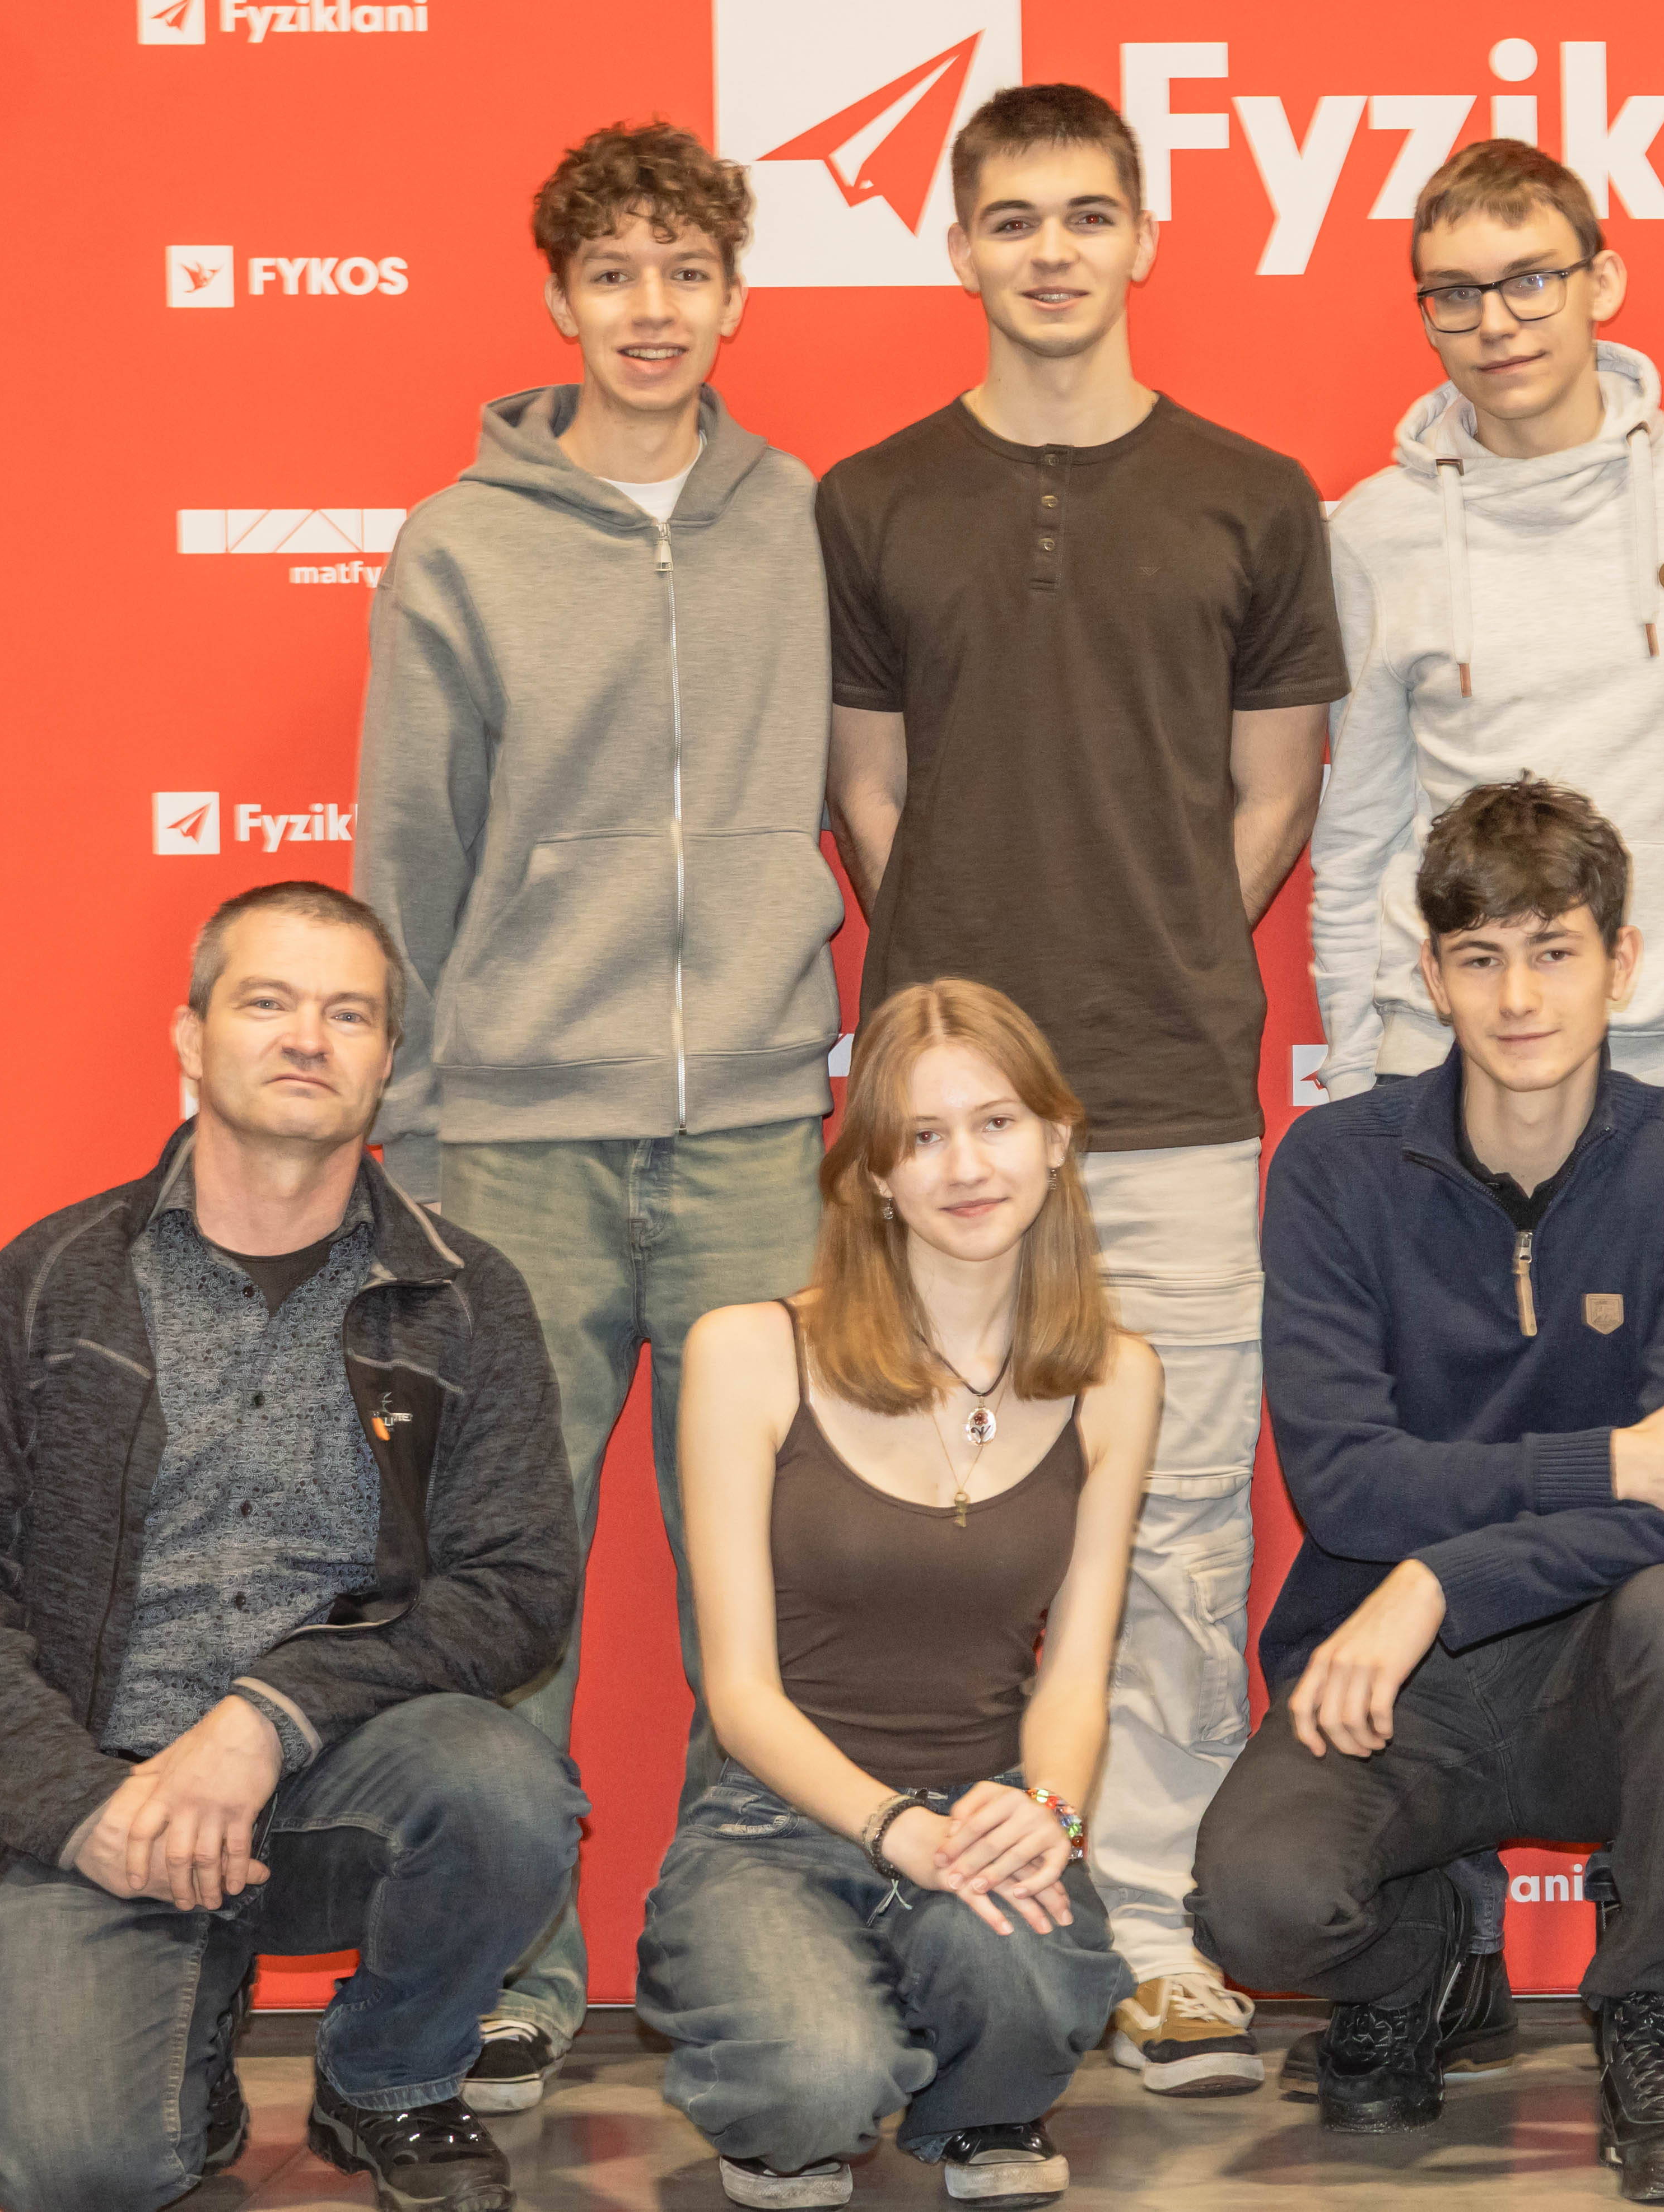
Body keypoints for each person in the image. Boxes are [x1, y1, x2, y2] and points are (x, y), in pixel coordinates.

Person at [819, 81, 1347, 2097]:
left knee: (1181, 1523)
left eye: (1086, 215)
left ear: (1144, 237)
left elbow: (1273, 788)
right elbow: (868, 788)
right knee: (921, 1520)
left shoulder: (1251, 494)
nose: (1051, 251)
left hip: (1175, 1094)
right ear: (958, 244)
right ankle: (942, 1914)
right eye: (1013, 218)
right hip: (940, 1128)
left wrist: (1165, 941)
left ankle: (1151, 1930)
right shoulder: (872, 498)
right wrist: (970, 1037)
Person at [353, 119, 841, 2105]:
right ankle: (512, 1966)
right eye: (616, 273)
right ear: (558, 298)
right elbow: (408, 845)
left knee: (766, 1569)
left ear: (735, 295)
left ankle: (742, 1943)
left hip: (752, 1130)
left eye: (687, 271)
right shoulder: (460, 544)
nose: (654, 308)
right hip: (516, 1142)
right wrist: (405, 1127)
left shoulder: (798, 516)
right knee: (510, 1580)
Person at [0, 883, 585, 2212]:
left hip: (344, 1774)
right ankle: (186, 2042)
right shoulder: (50, 1280)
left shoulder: (465, 1297)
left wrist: (266, 1716)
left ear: (387, 1058)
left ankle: (387, 2075)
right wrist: (77, 1806)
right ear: (191, 1036)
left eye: (348, 1013)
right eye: (268, 1002)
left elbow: (516, 1588)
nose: (307, 1037)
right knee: (75, 2175)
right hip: (110, 1797)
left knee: (507, 1790)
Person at [1194, 780, 1664, 2200]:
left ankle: (1655, 2021)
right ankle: (1427, 1965)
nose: (1519, 998)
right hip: (1393, 1681)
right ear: (1432, 974)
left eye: (1554, 950)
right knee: (1258, 1908)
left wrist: (1441, 1574)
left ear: (1622, 963)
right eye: (1481, 957)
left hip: (1601, 1673)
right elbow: (1348, 1486)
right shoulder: (1334, 1167)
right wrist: (1609, 1461)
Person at [638, 980, 1154, 2209]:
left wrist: (1047, 1812)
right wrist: (889, 1829)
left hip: (984, 1811)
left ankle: (973, 2088)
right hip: (776, 1818)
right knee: (812, 2088)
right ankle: (814, 2053)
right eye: (922, 1136)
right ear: (874, 1172)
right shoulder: (747, 1350)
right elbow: (740, 1692)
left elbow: (1074, 1677)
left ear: (1056, 1139)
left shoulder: (1116, 1376)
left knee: (1024, 2008)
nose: (965, 1167)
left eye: (996, 1123)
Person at [1310, 135, 1664, 1112]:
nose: (1496, 323)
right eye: (1457, 294)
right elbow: (1356, 837)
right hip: (1443, 1061)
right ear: (1428, 318)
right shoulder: (1376, 532)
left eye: (1531, 282)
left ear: (1603, 282)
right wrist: (1352, 1079)